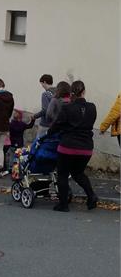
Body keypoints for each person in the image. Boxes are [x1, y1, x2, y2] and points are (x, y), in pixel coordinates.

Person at [48, 80, 98, 212]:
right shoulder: (92, 107)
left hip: (68, 146)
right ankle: (91, 196)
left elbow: (57, 124)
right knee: (78, 173)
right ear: (84, 91)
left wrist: (49, 132)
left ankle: (63, 204)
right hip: (86, 147)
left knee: (63, 174)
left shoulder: (67, 108)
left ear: (71, 93)